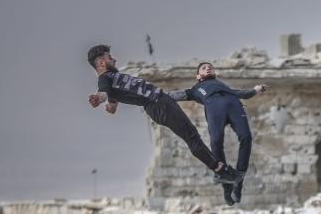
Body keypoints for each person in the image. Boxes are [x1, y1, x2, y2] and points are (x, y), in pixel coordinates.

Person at [86, 45, 243, 185]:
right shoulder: (105, 79)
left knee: (192, 135)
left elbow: (112, 102)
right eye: (109, 57)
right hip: (157, 104)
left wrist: (111, 106)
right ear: (101, 63)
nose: (114, 59)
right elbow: (103, 92)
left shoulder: (113, 79)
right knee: (192, 137)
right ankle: (221, 171)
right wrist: (98, 99)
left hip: (162, 101)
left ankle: (220, 169)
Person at [169, 62, 267, 205]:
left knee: (246, 137)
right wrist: (156, 94)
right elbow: (175, 95)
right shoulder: (195, 89)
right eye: (204, 68)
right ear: (198, 76)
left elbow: (242, 94)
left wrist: (256, 89)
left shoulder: (224, 86)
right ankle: (227, 187)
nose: (208, 68)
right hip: (214, 107)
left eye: (210, 67)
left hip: (234, 105)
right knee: (216, 141)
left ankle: (239, 179)